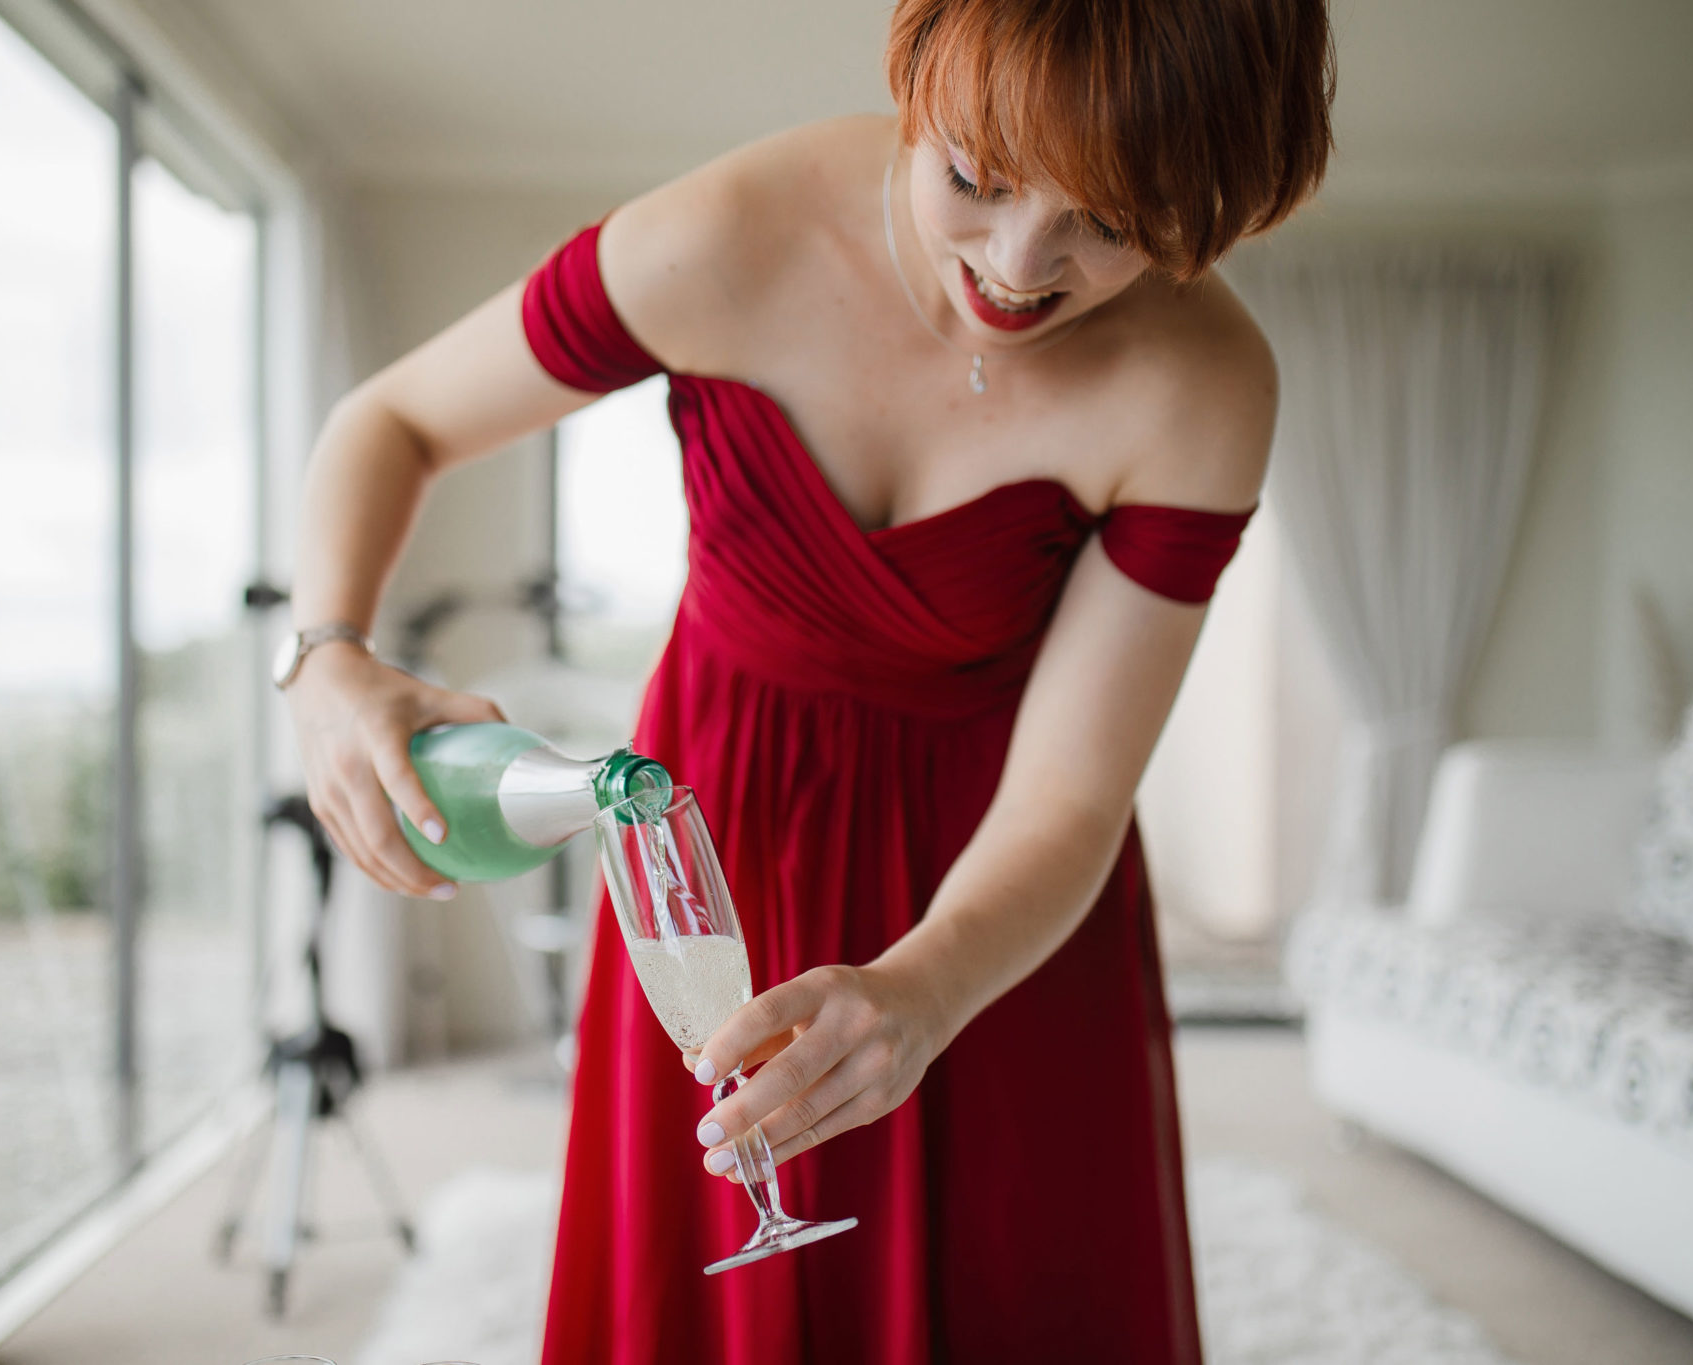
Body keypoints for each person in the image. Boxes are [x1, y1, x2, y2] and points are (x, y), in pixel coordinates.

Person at [282, 0, 1332, 1358]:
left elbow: (1072, 791)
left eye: (1114, 224)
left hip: (1001, 903)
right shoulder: (720, 241)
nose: (1019, 265)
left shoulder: (1203, 382)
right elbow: (396, 418)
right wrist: (326, 656)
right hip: (709, 860)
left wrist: (929, 989)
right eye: (977, 174)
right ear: (917, 67)